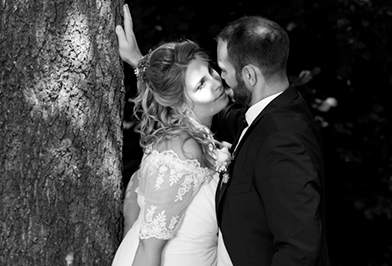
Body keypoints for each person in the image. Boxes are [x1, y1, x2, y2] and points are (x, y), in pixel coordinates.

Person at [116, 4, 331, 266]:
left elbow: (300, 250)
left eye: (220, 70)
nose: (220, 81)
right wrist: (142, 65)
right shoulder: (265, 115)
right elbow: (187, 99)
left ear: (249, 75)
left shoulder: (280, 139)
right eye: (206, 78)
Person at [112, 5, 237, 266]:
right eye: (201, 84)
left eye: (211, 72)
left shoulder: (191, 132)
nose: (216, 83)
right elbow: (148, 249)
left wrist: (139, 61)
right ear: (178, 103)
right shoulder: (180, 150)